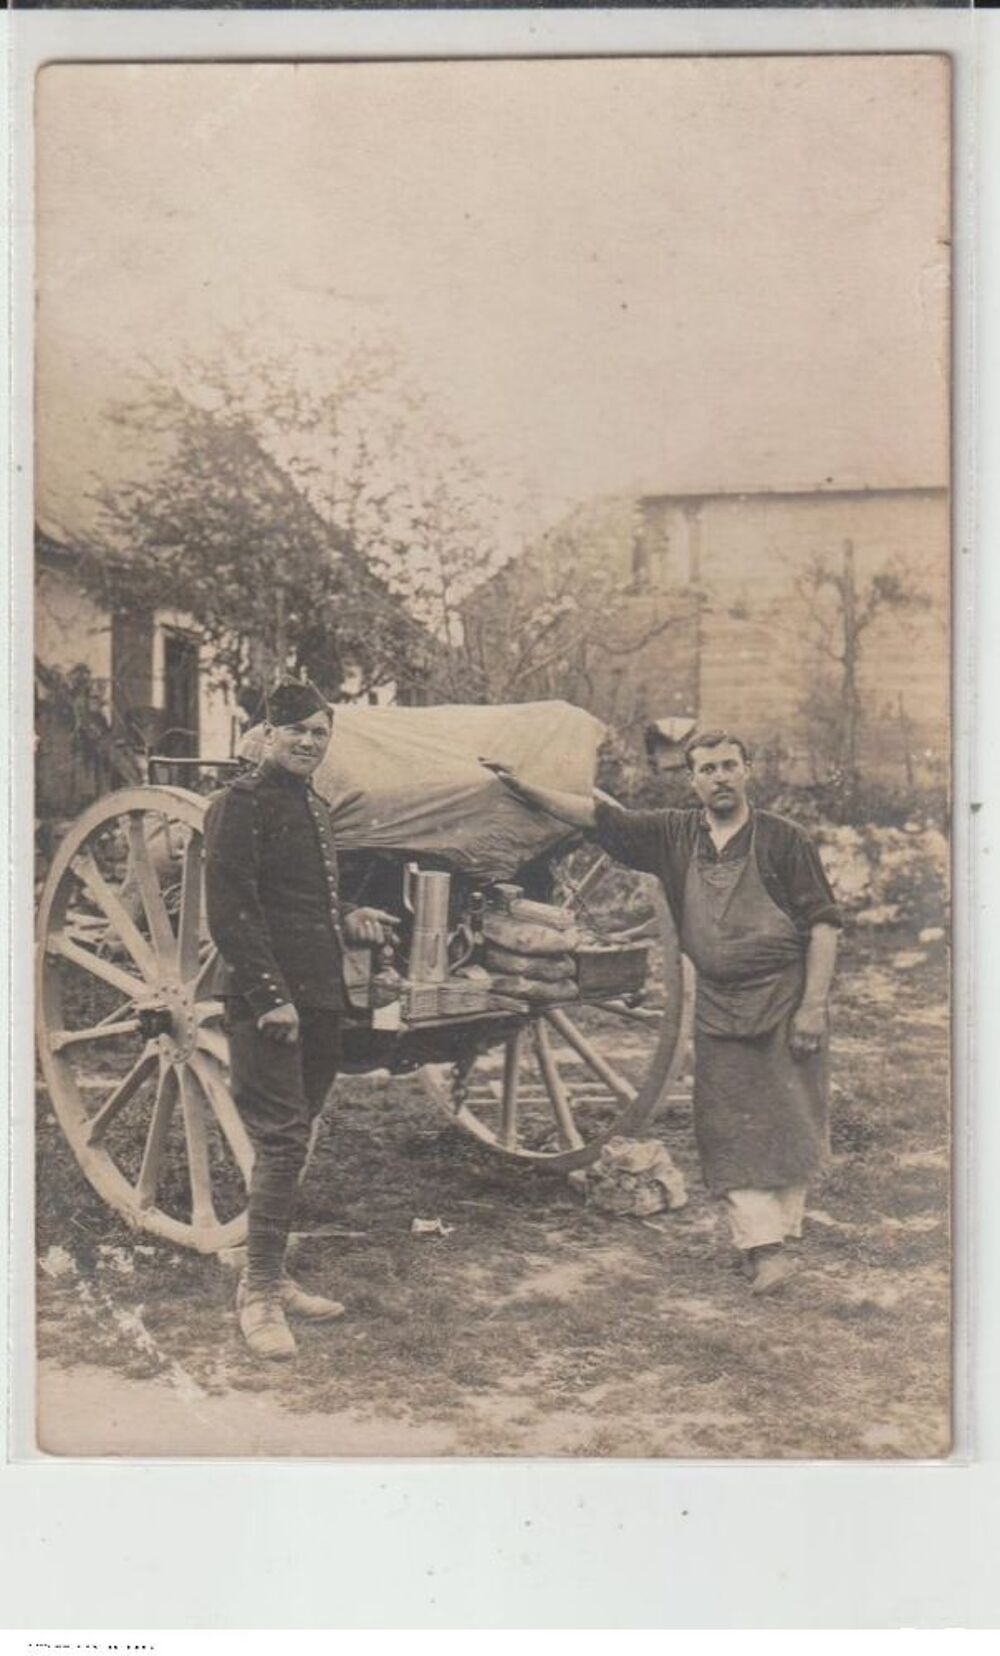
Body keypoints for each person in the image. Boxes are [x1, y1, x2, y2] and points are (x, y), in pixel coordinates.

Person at [491, 731, 841, 1294]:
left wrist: (814, 1007)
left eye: (730, 765)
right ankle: (763, 1249)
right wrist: (520, 784)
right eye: (707, 769)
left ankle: (781, 1237)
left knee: (789, 1118)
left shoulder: (784, 840)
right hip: (721, 1003)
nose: (720, 777)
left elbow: (823, 925)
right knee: (727, 1125)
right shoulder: (674, 834)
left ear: (748, 770)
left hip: (786, 997)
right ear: (693, 779)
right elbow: (596, 818)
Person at [204, 681, 395, 1358]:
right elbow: (231, 909)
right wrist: (268, 996)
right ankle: (257, 1292)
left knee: (296, 1133)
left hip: (318, 998)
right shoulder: (239, 805)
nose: (309, 742)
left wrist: (348, 917)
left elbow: (296, 898)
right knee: (284, 1139)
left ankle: (273, 1275)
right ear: (267, 733)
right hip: (269, 1002)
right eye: (297, 731)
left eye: (320, 732)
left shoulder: (311, 806)